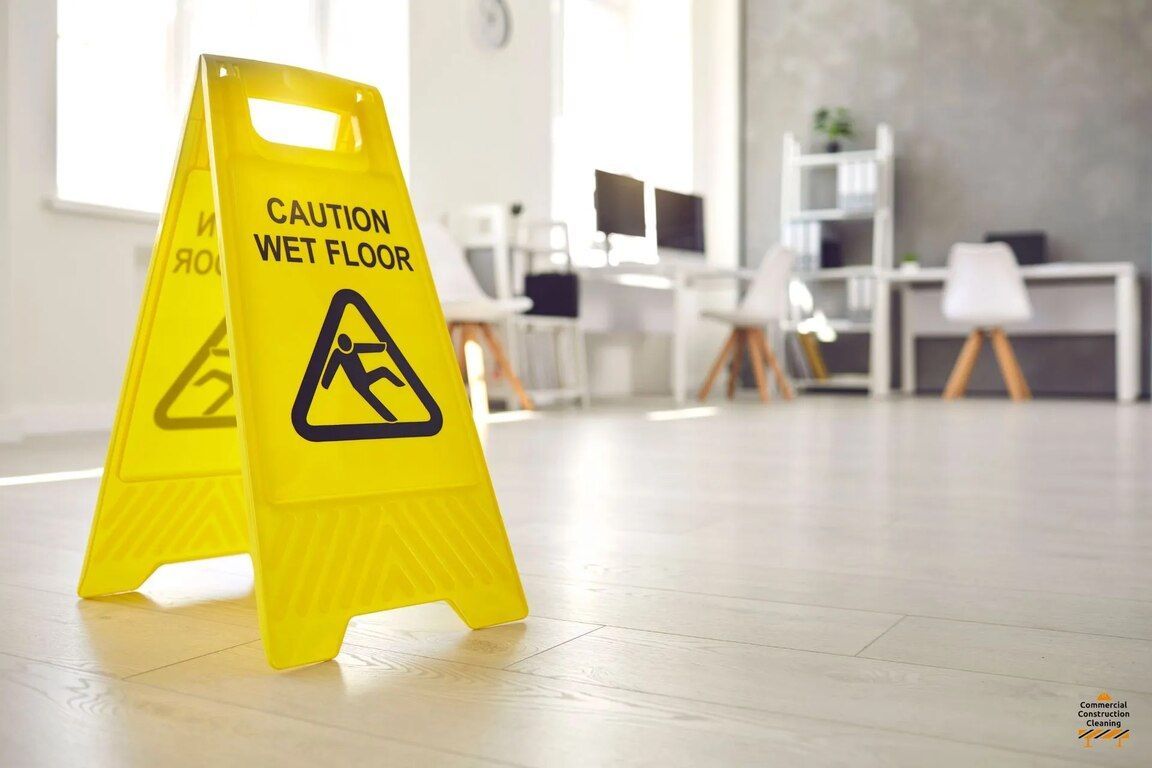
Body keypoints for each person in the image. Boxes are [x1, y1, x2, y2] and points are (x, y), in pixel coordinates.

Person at [321, 333, 406, 422]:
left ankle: (402, 385)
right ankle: (389, 417)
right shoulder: (337, 354)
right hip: (358, 384)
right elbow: (331, 369)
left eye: (348, 342)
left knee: (383, 371)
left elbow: (367, 347)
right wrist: (325, 384)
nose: (348, 345)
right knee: (372, 399)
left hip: (365, 377)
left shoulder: (354, 348)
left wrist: (383, 347)